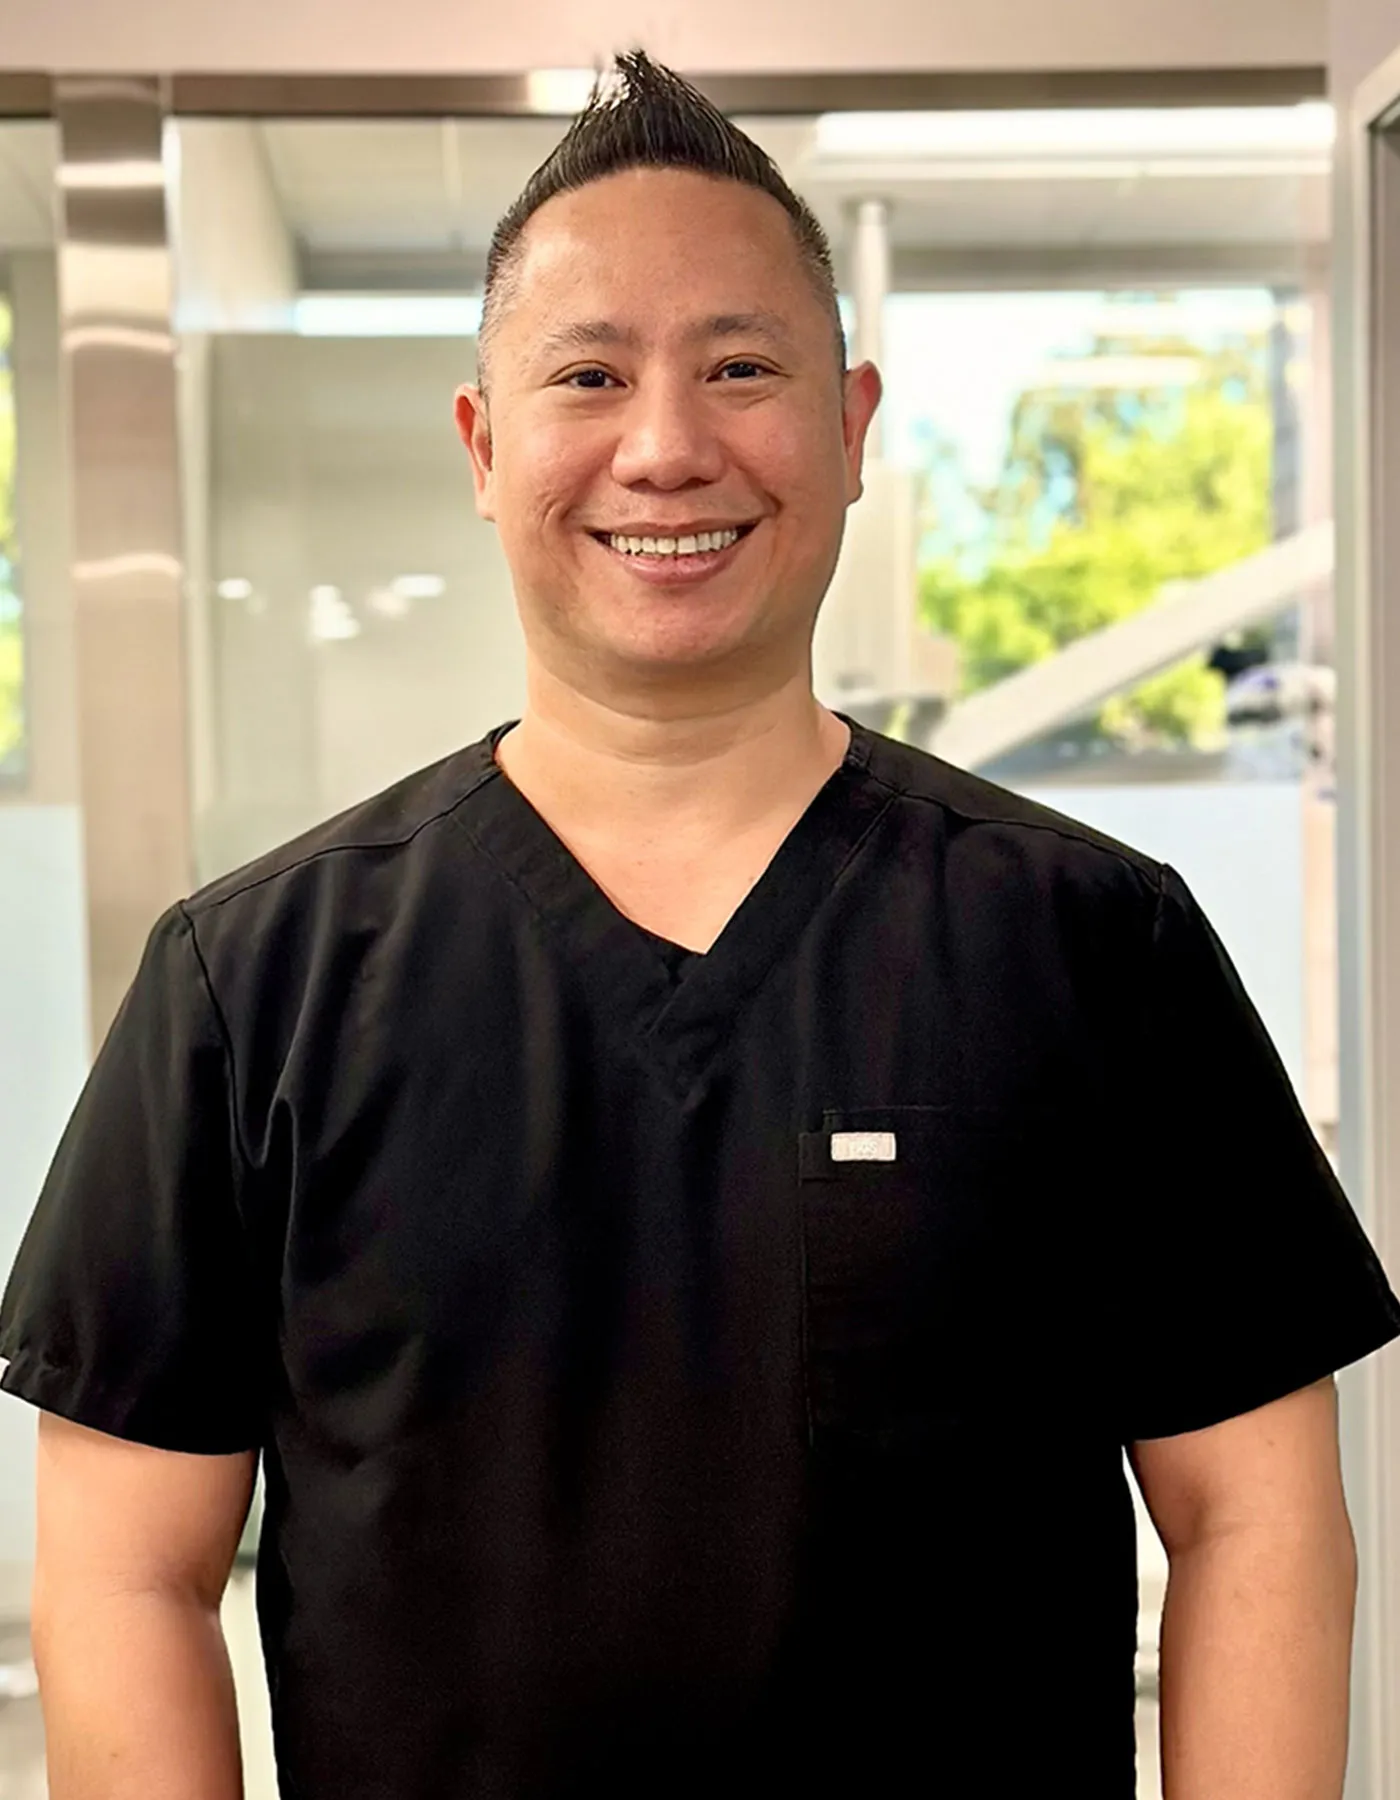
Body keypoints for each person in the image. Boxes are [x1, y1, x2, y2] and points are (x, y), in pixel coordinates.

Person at [1, 51, 1397, 1800]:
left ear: (853, 427)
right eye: (589, 374)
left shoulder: (1095, 948)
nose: (667, 447)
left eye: (742, 368)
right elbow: (129, 1567)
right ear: (485, 444)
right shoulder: (251, 983)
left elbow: (1257, 1518)